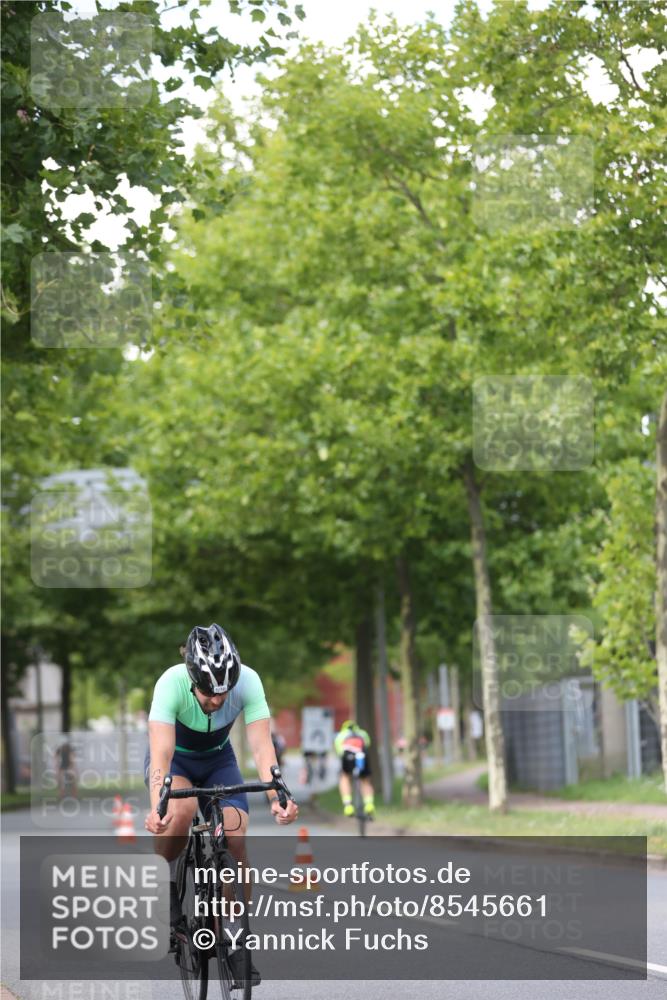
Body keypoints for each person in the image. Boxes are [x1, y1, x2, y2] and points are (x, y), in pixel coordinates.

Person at [143, 623, 298, 984]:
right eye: (208, 692)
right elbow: (161, 752)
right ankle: (163, 881)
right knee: (178, 816)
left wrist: (279, 797)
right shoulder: (170, 683)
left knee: (235, 834)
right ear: (192, 678)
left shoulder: (249, 682)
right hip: (176, 761)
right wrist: (158, 807)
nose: (217, 700)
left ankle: (235, 937)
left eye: (223, 691)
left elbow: (261, 747)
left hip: (218, 759)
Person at [334, 719, 375, 817]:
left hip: (348, 757)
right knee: (365, 780)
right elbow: (367, 745)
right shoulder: (363, 733)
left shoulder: (340, 735)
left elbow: (339, 751)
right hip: (361, 756)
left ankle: (348, 805)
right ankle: (369, 804)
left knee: (344, 777)